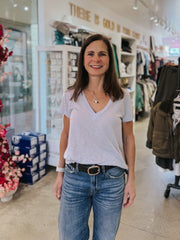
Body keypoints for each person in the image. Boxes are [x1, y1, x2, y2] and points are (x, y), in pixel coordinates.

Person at [54, 33, 136, 240]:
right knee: (70, 236)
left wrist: (131, 179)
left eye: (102, 54)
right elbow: (65, 134)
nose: (96, 59)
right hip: (74, 177)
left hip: (112, 180)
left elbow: (129, 138)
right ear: (83, 59)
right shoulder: (70, 96)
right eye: (90, 54)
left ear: (110, 59)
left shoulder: (122, 97)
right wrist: (60, 173)